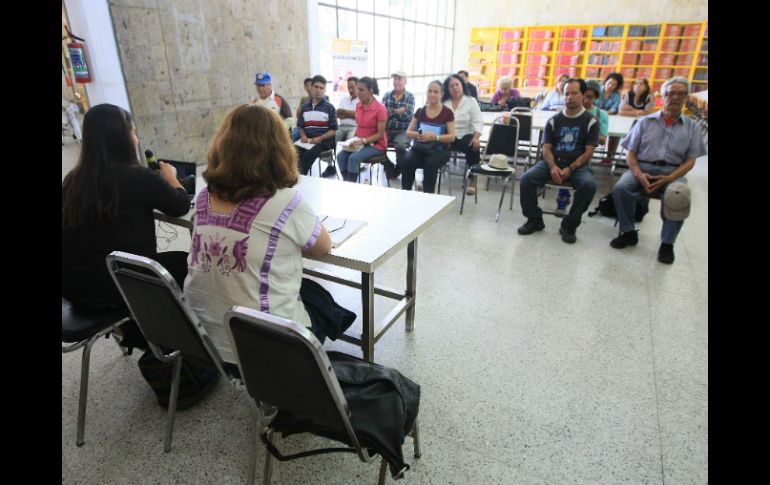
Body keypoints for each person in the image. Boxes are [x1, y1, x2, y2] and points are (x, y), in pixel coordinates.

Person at [184, 105, 355, 363]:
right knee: (322, 304)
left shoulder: (204, 197)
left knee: (301, 290)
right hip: (268, 349)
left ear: (223, 146)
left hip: (204, 340)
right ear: (280, 149)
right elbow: (323, 247)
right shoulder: (286, 202)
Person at [62, 103, 191, 350]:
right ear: (122, 137)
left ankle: (138, 333)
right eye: (132, 131)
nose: (136, 138)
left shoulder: (72, 181)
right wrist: (172, 178)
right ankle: (174, 341)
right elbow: (180, 205)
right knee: (188, 262)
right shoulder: (136, 177)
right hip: (117, 287)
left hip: (74, 288)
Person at [609, 77, 707, 264]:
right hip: (642, 167)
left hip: (672, 172)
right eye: (671, 93)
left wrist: (669, 178)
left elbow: (690, 161)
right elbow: (630, 153)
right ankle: (628, 232)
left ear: (686, 97)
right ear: (663, 97)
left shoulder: (692, 127)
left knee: (679, 194)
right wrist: (638, 174)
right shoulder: (645, 122)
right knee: (621, 188)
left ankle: (667, 243)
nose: (675, 97)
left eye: (680, 94)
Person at [517, 78, 599, 244]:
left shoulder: (591, 121)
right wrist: (553, 166)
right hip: (553, 162)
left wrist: (570, 168)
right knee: (526, 179)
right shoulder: (554, 120)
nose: (569, 97)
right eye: (566, 94)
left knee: (589, 186)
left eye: (574, 93)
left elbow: (589, 152)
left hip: (578, 166)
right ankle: (534, 219)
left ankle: (569, 225)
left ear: (583, 95)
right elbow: (546, 148)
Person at [554, 79, 608, 214]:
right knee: (561, 164)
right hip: (565, 152)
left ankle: (574, 213)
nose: (586, 100)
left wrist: (587, 133)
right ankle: (562, 200)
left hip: (583, 155)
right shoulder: (568, 112)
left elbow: (602, 139)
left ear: (596, 97)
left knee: (586, 183)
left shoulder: (599, 115)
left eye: (590, 97)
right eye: (585, 96)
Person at [401, 80, 456, 194]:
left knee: (430, 164)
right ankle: (405, 193)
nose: (432, 94)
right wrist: (419, 135)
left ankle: (428, 195)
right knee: (407, 161)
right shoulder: (420, 111)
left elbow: (452, 137)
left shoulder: (447, 113)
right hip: (421, 148)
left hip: (440, 150)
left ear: (442, 94)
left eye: (436, 92)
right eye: (430, 91)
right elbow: (408, 132)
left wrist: (435, 137)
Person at [336, 77, 389, 182]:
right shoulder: (358, 105)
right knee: (340, 156)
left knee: (353, 158)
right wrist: (353, 140)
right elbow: (359, 126)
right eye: (357, 89)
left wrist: (363, 141)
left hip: (376, 145)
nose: (357, 93)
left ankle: (351, 185)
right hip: (360, 142)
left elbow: (380, 134)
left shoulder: (380, 108)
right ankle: (348, 183)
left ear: (370, 91)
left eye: (361, 90)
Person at [443, 74, 483, 195]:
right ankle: (430, 175)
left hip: (466, 133)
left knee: (473, 146)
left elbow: (478, 121)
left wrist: (476, 137)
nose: (455, 88)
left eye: (457, 85)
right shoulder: (444, 102)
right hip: (449, 135)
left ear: (462, 86)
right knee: (434, 144)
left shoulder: (471, 101)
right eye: (451, 86)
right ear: (447, 89)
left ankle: (473, 178)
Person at [295, 75, 338, 176]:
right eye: (316, 87)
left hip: (324, 142)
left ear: (324, 90)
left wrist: (320, 138)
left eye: (321, 88)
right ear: (311, 88)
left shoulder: (329, 108)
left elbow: (334, 130)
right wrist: (303, 135)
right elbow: (301, 126)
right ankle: (293, 176)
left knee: (307, 156)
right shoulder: (305, 107)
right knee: (292, 151)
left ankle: (299, 178)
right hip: (307, 140)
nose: (318, 90)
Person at [382, 70, 415, 179]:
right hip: (388, 130)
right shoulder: (387, 95)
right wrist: (399, 110)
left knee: (400, 147)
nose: (396, 81)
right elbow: (382, 114)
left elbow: (408, 116)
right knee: (375, 145)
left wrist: (391, 112)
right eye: (395, 79)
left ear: (405, 81)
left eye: (399, 79)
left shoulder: (410, 96)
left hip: (403, 131)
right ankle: (389, 166)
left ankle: (399, 168)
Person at [595, 72, 624, 163]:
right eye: (609, 83)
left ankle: (609, 157)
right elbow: (591, 105)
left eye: (614, 85)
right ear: (606, 81)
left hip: (609, 118)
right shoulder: (597, 91)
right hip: (594, 116)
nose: (611, 86)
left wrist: (602, 113)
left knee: (615, 134)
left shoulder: (616, 95)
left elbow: (614, 110)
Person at [335, 76, 360, 143]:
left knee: (350, 142)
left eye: (352, 88)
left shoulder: (361, 100)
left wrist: (344, 112)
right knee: (332, 140)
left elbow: (359, 115)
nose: (350, 90)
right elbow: (338, 114)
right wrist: (352, 114)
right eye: (349, 88)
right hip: (341, 126)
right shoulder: (344, 99)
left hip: (354, 127)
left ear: (358, 87)